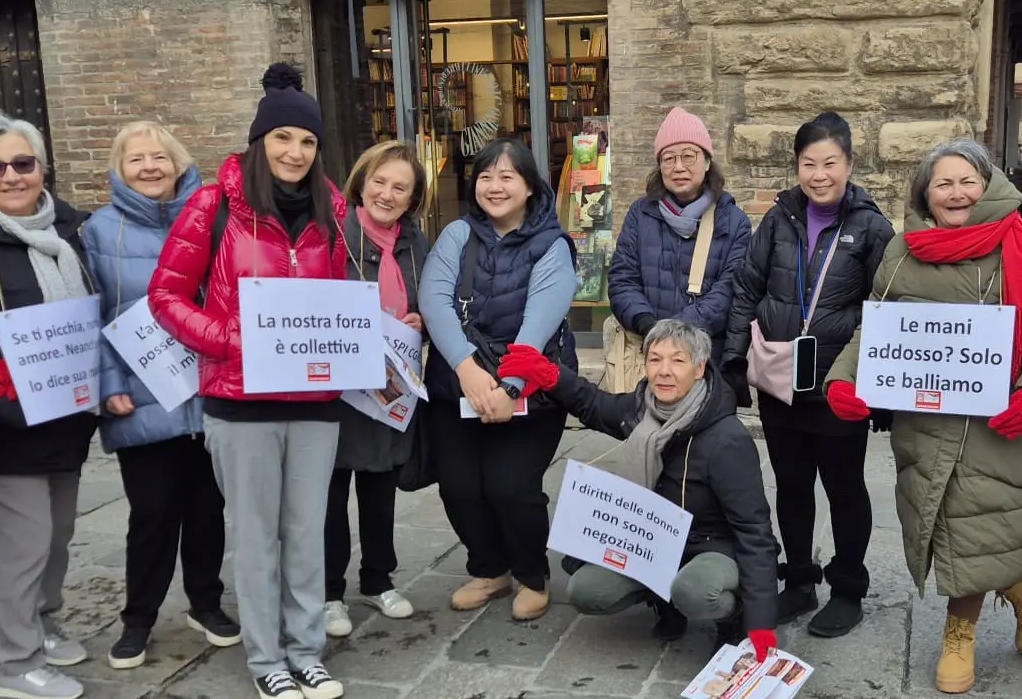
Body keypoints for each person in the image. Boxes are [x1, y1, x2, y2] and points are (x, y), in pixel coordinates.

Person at [824, 139, 1022, 693]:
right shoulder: (902, 252)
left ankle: (959, 631)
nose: (957, 193)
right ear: (926, 193)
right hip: (925, 422)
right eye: (943, 184)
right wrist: (844, 380)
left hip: (1002, 422)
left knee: (978, 523)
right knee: (946, 526)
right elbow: (874, 329)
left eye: (967, 180)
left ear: (988, 183)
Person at [148, 63, 351, 699]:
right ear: (259, 140)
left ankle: (307, 649)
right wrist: (230, 337)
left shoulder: (334, 210)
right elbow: (166, 295)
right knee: (257, 533)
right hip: (240, 401)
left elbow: (344, 295)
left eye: (308, 141)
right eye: (283, 138)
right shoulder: (213, 205)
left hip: (316, 399)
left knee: (307, 529)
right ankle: (267, 658)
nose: (295, 152)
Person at [0, 114, 99, 699]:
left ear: (43, 167)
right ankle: (15, 660)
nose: (11, 176)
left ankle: (41, 623)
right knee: (22, 543)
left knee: (57, 535)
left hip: (65, 416)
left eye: (23, 164)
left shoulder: (73, 229)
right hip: (2, 424)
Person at [497, 320, 779, 655]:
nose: (664, 371)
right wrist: (552, 376)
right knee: (587, 591)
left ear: (700, 368)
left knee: (695, 590)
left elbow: (754, 531)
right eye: (655, 359)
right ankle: (663, 598)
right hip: (651, 542)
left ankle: (733, 615)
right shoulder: (642, 409)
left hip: (711, 545)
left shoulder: (727, 438)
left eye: (678, 360)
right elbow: (594, 404)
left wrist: (761, 625)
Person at [724, 112, 894, 638]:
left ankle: (847, 588)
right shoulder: (778, 220)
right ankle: (798, 580)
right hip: (780, 382)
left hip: (837, 387)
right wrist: (733, 360)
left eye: (830, 163)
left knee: (845, 489)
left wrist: (880, 390)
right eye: (808, 163)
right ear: (796, 166)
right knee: (792, 486)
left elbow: (885, 308)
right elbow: (748, 288)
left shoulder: (871, 226)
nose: (819, 174)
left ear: (849, 163)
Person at [81, 122, 240, 670]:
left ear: (178, 164)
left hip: (209, 389)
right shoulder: (99, 231)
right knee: (151, 514)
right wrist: (108, 384)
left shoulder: (215, 219)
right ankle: (138, 619)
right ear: (118, 170)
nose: (149, 167)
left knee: (208, 510)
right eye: (135, 160)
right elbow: (92, 313)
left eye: (159, 157)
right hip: (142, 395)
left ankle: (206, 603)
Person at [419, 138, 578, 622]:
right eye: (486, 176)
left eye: (508, 176)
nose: (495, 185)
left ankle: (532, 573)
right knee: (460, 486)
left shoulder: (552, 245)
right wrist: (467, 371)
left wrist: (509, 390)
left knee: (512, 486)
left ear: (530, 187)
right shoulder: (456, 236)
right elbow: (434, 301)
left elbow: (538, 325)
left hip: (529, 387)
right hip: (459, 384)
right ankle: (489, 569)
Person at [323, 141, 432, 639]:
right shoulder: (332, 232)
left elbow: (431, 300)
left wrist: (421, 320)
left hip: (391, 384)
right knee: (330, 491)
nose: (387, 194)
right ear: (361, 182)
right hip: (339, 386)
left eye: (401, 188)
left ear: (412, 200)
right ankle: (328, 592)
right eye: (380, 182)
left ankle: (378, 578)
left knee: (380, 487)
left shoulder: (415, 243)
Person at [605, 107, 753, 377]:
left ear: (707, 161)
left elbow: (730, 290)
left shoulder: (733, 222)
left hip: (705, 360)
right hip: (646, 355)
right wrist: (649, 326)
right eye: (668, 158)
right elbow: (621, 279)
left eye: (689, 156)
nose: (679, 167)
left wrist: (678, 332)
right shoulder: (641, 214)